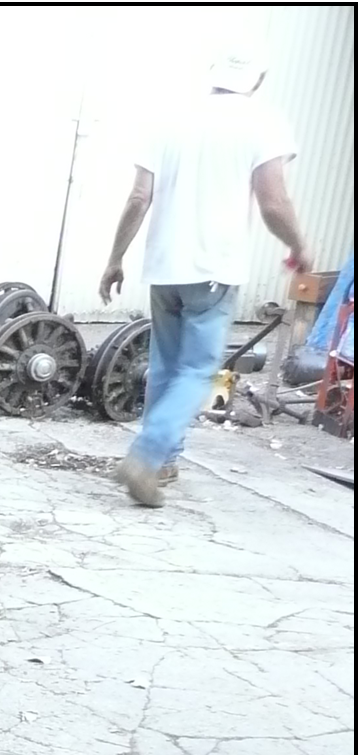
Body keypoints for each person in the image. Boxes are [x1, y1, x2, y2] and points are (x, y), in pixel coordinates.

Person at [98, 52, 309, 507]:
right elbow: (274, 203)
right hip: (213, 268)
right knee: (196, 370)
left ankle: (165, 459)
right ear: (258, 79)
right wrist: (298, 247)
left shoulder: (170, 121)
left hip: (164, 269)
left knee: (165, 366)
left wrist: (115, 258)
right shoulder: (262, 122)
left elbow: (138, 197)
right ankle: (148, 454)